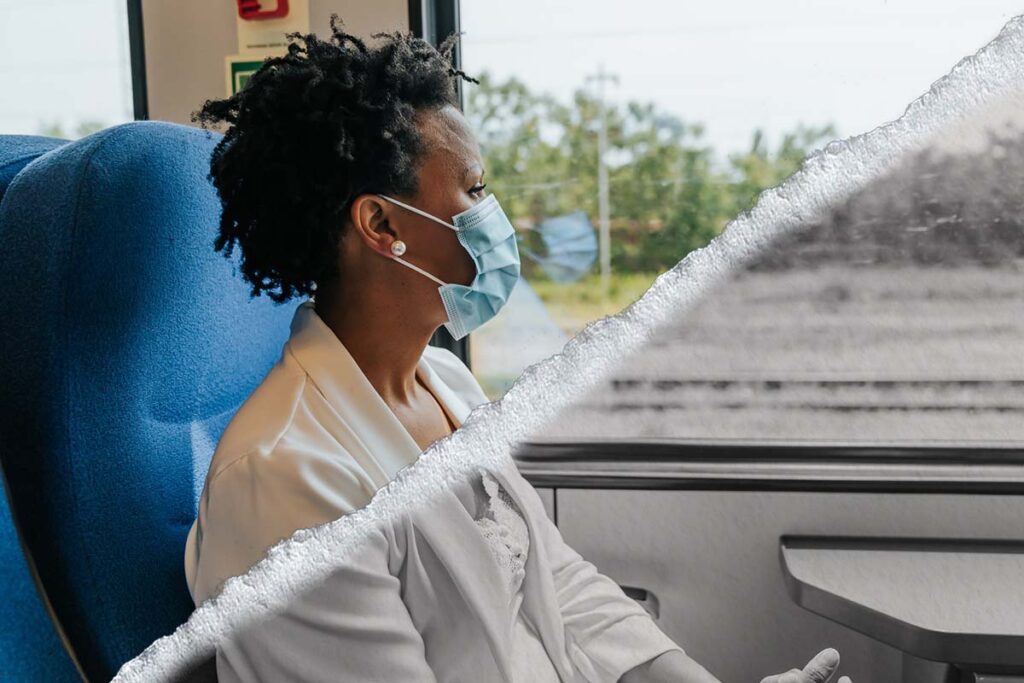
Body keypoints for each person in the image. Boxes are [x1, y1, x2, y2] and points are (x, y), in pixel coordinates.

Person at [183, 15, 852, 683]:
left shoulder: (445, 380)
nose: (494, 214)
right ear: (384, 225)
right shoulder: (282, 481)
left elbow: (559, 586)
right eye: (474, 189)